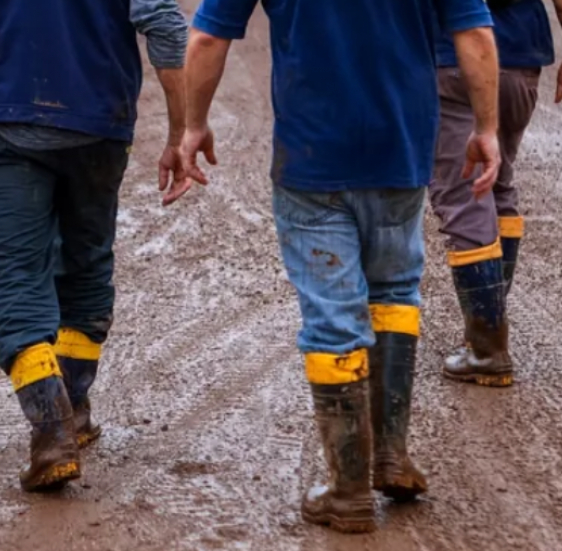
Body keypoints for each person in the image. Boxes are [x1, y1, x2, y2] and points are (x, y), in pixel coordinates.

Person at [180, 0, 502, 533]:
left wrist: (193, 125)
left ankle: (348, 490)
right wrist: (486, 127)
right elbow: (476, 35)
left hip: (313, 159)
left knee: (334, 315)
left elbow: (209, 38)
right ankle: (389, 456)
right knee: (396, 293)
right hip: (400, 151)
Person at [0, 0, 188, 492]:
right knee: (87, 267)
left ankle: (53, 431)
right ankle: (72, 411)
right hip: (100, 127)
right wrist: (180, 131)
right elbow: (163, 22)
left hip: (13, 125)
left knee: (15, 277)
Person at [432, 0, 562, 387]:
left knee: (467, 192)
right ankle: (485, 328)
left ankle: (487, 349)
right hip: (519, 60)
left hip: (450, 55)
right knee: (497, 183)